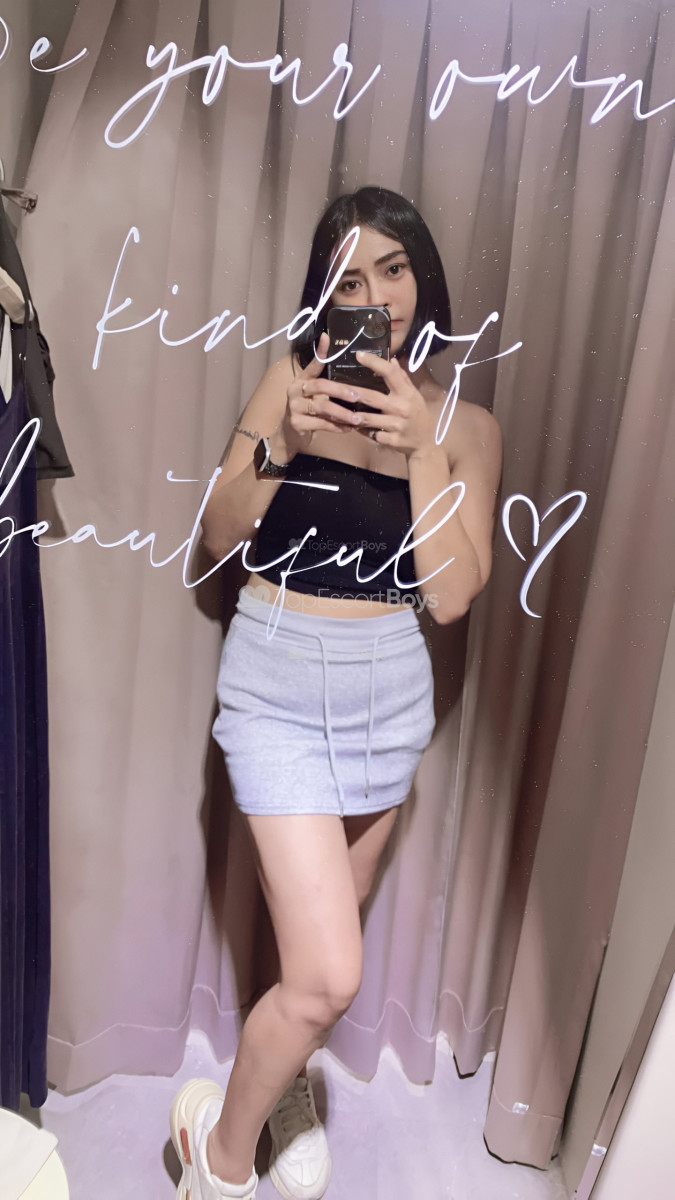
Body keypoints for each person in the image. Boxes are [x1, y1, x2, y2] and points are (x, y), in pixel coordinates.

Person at [169, 187, 502, 1200]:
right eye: (348, 281)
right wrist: (282, 439)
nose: (376, 297)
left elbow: (452, 595)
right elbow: (217, 536)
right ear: (325, 299)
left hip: (387, 693)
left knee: (316, 954)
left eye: (392, 270)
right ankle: (217, 1161)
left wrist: (422, 449)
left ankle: (274, 1093)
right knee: (326, 975)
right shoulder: (290, 380)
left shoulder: (466, 426)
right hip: (275, 679)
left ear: (423, 277)